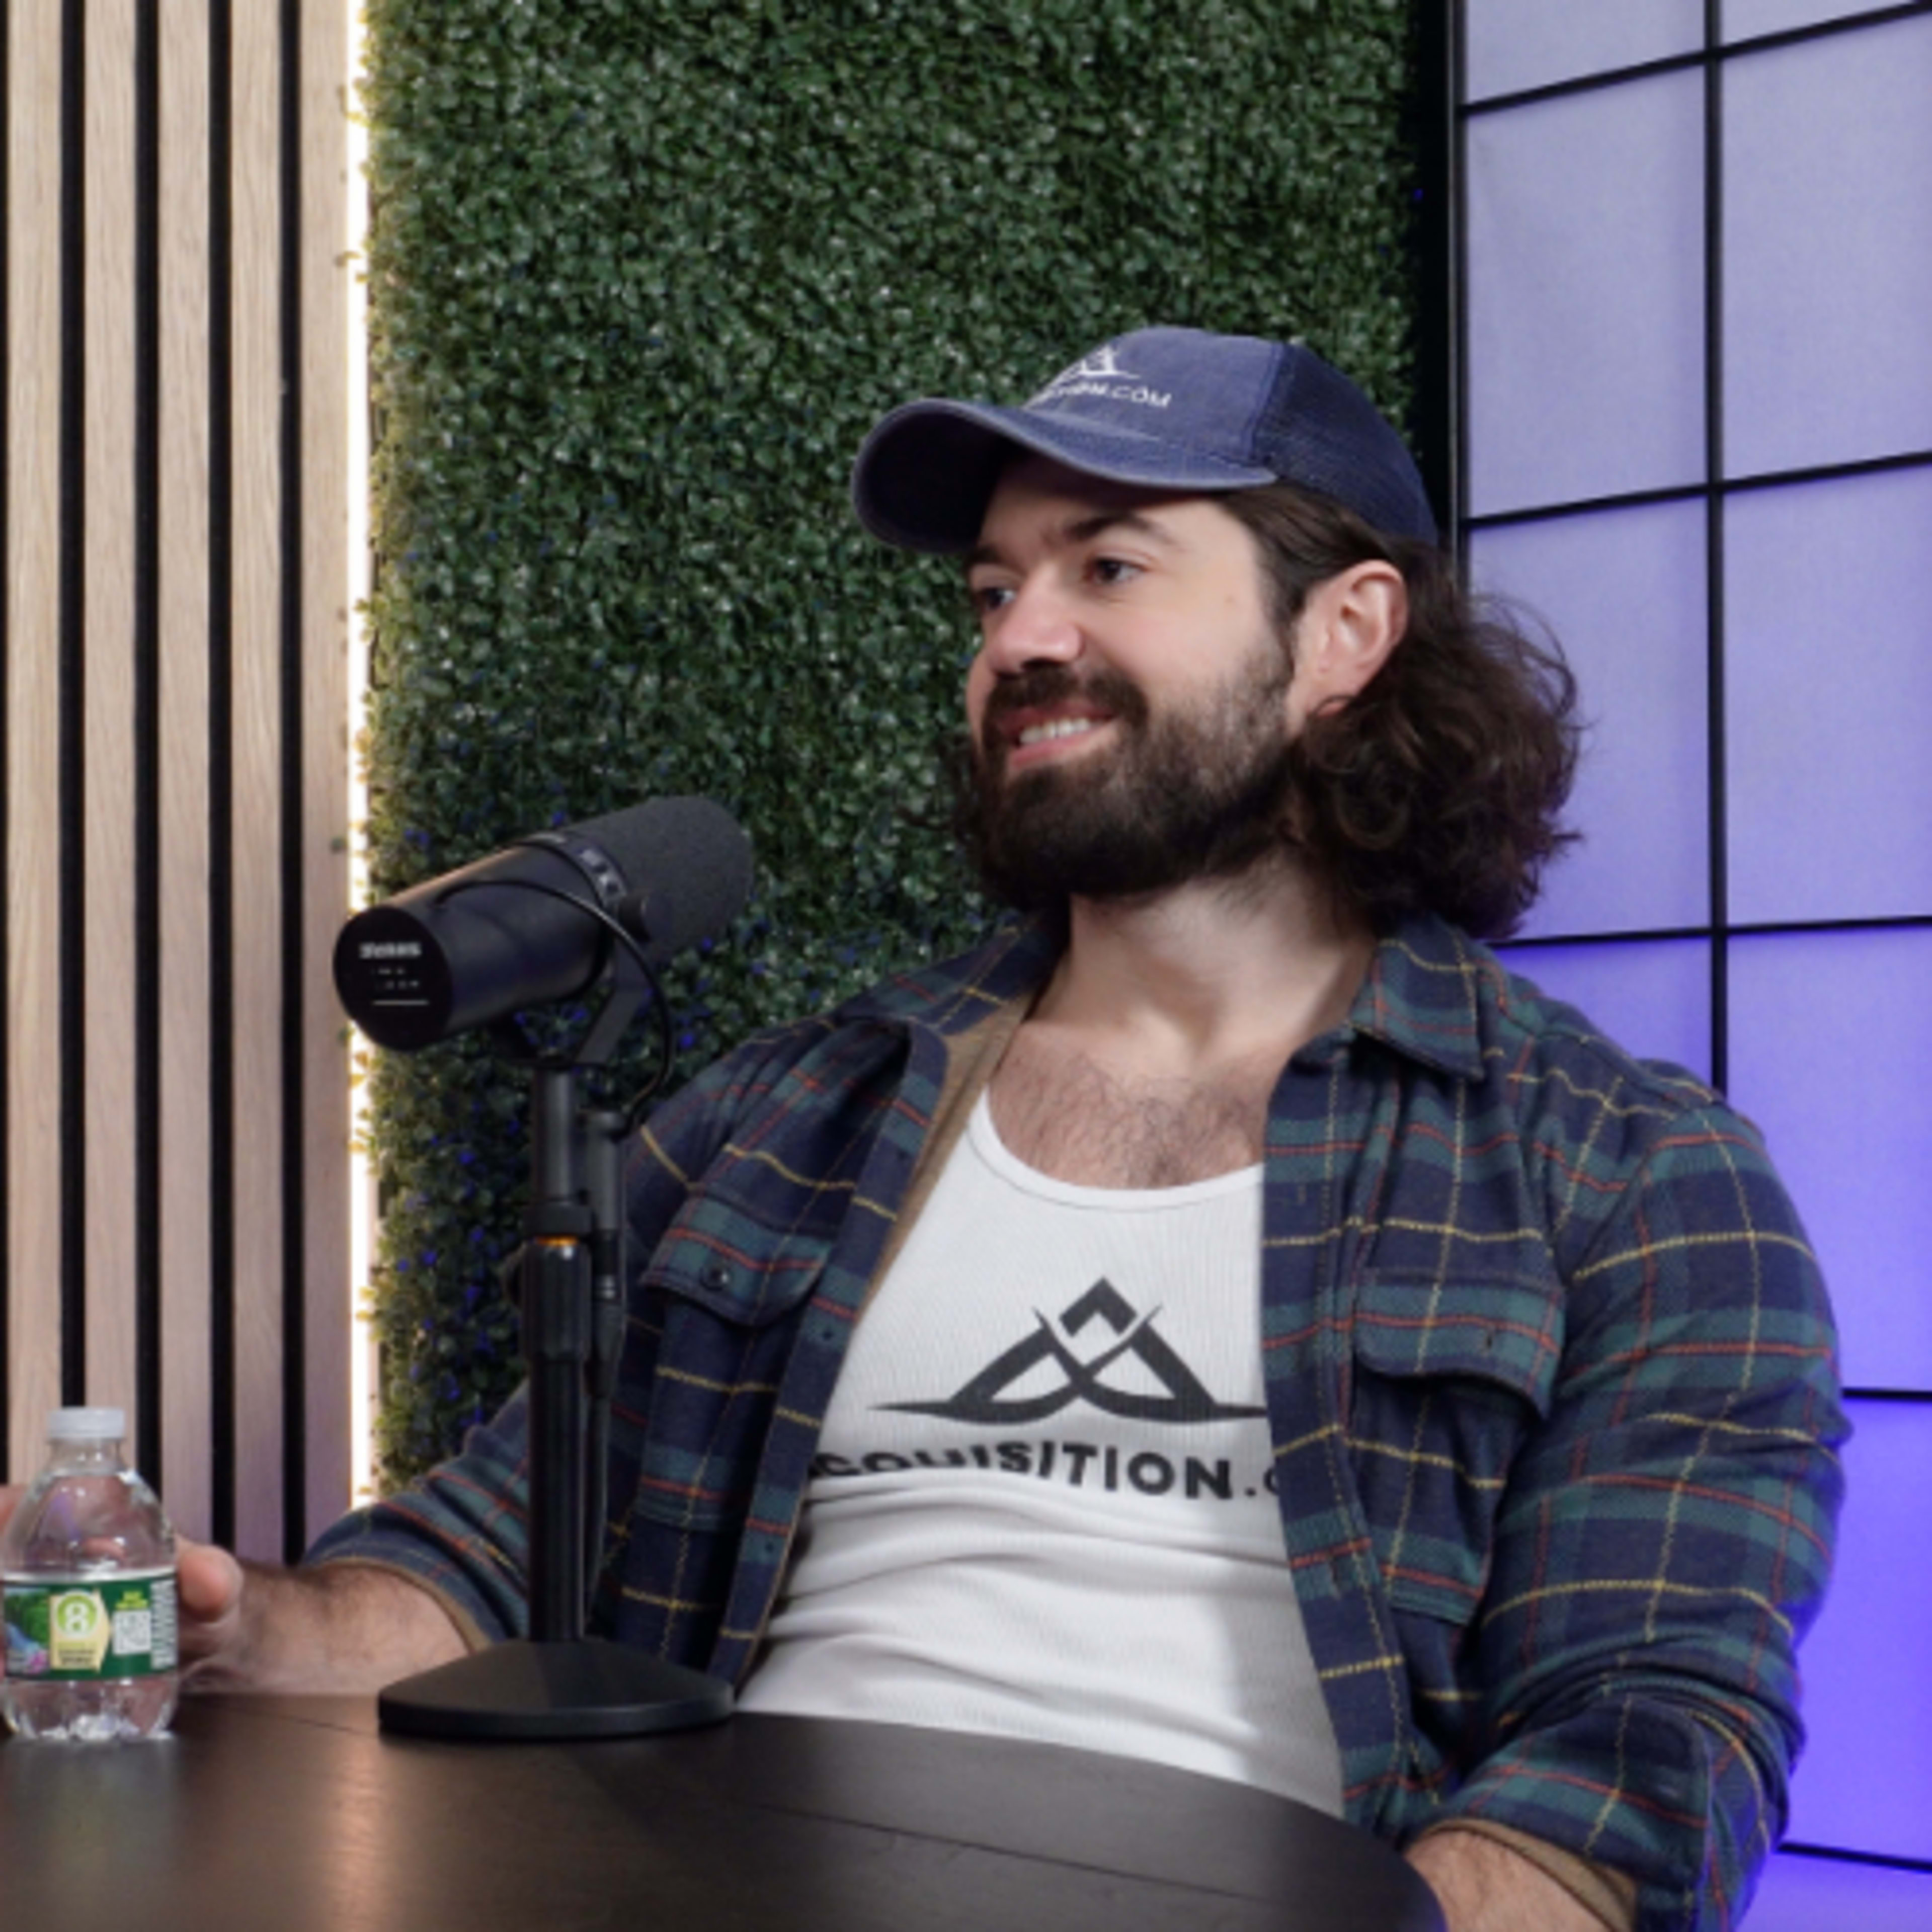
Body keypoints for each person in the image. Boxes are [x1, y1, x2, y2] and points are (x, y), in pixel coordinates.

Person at [2, 329, 1843, 1932]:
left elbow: (1637, 1754)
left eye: (1110, 569)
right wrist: (255, 1631)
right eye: (991, 594)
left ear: (1343, 632)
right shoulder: (790, 1115)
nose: (1020, 639)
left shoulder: (1632, 1181)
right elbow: (497, 1556)